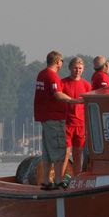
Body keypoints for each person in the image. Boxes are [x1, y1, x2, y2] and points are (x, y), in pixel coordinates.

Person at [33, 51, 84, 189]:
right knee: (59, 151)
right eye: (61, 61)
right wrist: (75, 101)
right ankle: (58, 181)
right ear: (57, 62)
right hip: (54, 118)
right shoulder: (52, 76)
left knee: (48, 152)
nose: (62, 63)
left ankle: (45, 181)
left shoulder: (41, 74)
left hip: (45, 117)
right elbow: (57, 94)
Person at [61, 57, 93, 177]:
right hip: (67, 123)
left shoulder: (86, 85)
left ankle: (76, 178)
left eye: (80, 68)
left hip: (81, 124)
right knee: (65, 153)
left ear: (83, 69)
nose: (77, 70)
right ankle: (60, 177)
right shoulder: (63, 83)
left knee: (78, 154)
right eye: (75, 68)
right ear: (70, 68)